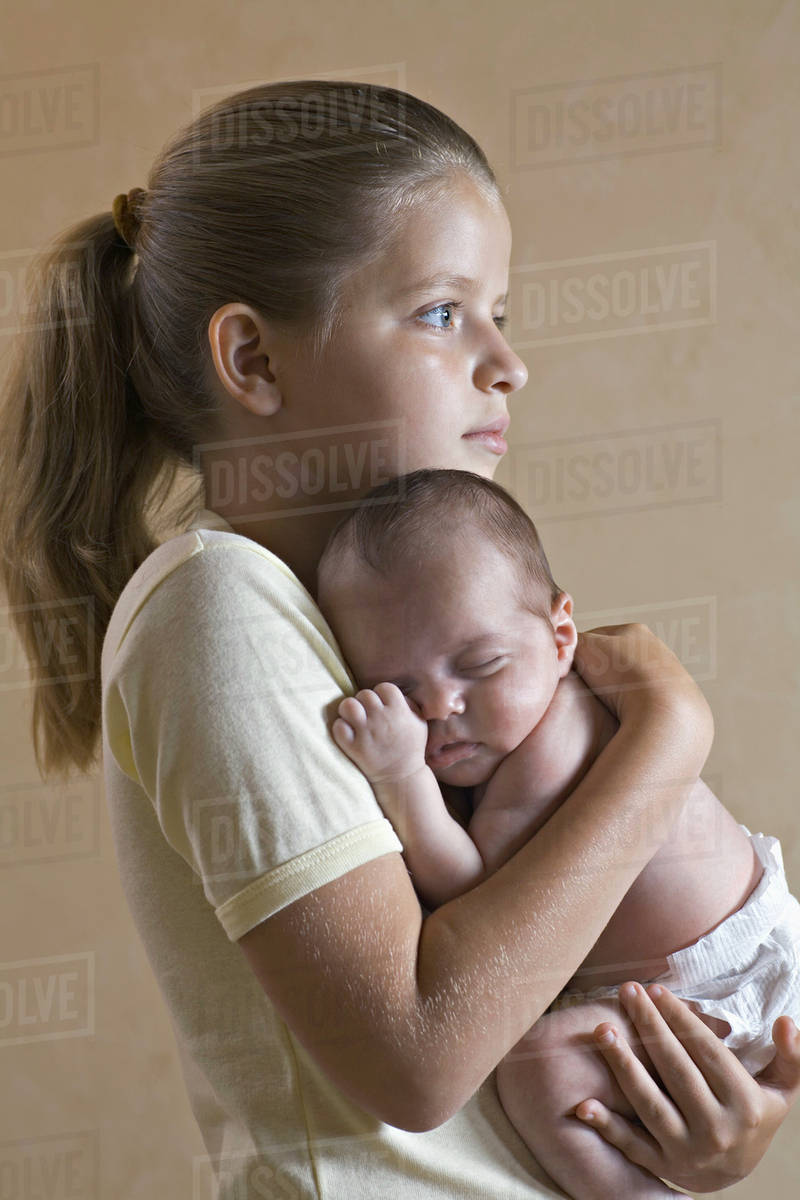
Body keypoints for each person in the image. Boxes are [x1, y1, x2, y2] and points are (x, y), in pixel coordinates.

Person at [1, 80, 798, 1200]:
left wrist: (691, 1130)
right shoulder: (215, 604)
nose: (506, 362)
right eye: (439, 312)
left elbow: (513, 980)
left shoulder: (361, 632)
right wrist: (667, 736)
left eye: (500, 312)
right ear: (253, 360)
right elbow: (419, 1058)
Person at [316, 467, 800, 1198]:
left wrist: (402, 775)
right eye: (400, 691)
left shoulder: (554, 739)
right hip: (702, 967)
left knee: (539, 1071)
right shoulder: (519, 731)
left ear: (561, 636)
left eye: (481, 665)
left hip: (717, 983)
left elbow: (480, 892)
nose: (441, 706)